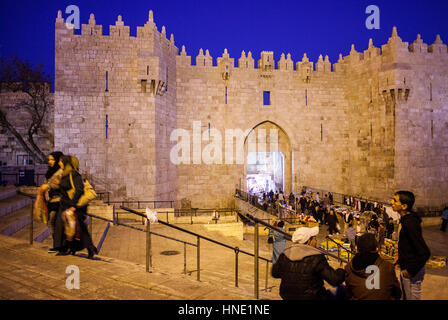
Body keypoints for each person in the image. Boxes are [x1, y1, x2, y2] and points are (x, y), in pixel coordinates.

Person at [271, 226, 346, 300]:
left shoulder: (284, 255)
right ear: (308, 241)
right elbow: (334, 280)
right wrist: (341, 270)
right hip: (313, 297)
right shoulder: (316, 257)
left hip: (287, 295)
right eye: (314, 238)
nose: (316, 241)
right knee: (342, 289)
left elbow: (275, 273)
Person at [391, 191, 430, 300]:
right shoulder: (406, 220)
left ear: (404, 206)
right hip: (407, 267)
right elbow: (408, 245)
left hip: (412, 271)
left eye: (395, 200)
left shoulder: (410, 224)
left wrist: (409, 271)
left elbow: (425, 253)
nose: (391, 202)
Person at [344, 233, 401, 300]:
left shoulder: (349, 268)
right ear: (376, 249)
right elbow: (397, 293)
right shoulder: (388, 267)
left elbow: (348, 293)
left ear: (357, 249)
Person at [42, 151, 64, 252]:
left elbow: (61, 185)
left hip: (57, 201)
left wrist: (49, 186)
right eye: (49, 159)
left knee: (52, 221)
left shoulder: (60, 172)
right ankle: (58, 244)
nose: (49, 161)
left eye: (52, 159)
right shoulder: (50, 171)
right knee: (51, 222)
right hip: (50, 201)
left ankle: (58, 244)